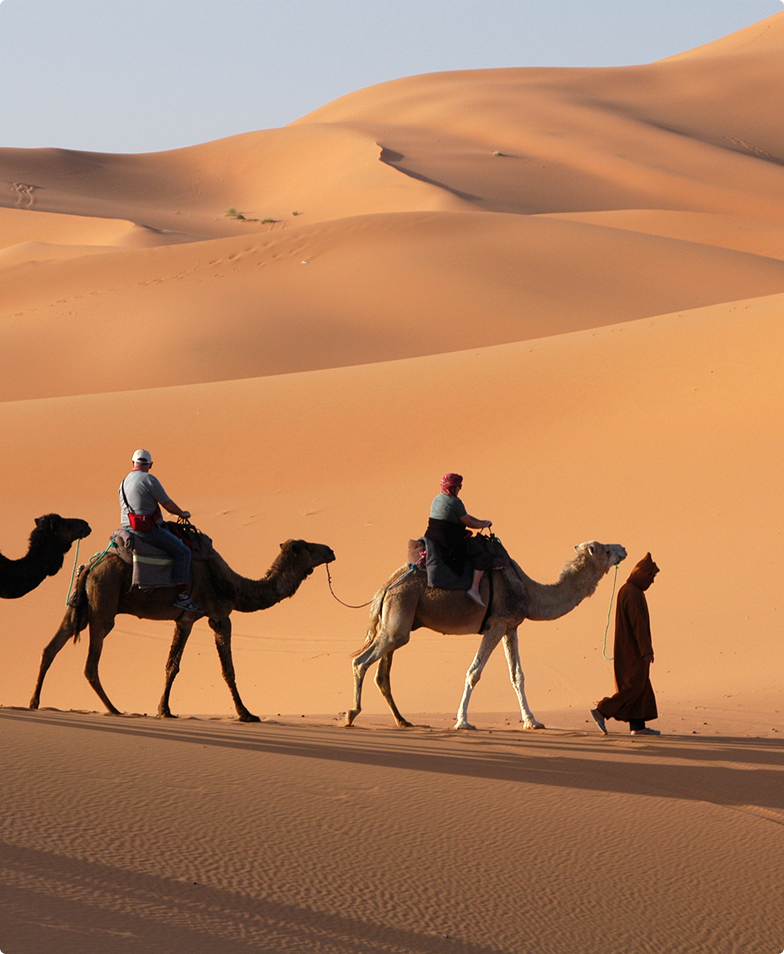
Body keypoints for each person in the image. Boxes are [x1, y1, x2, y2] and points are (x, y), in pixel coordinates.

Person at [119, 449, 201, 614]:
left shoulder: (123, 482)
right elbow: (168, 504)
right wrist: (182, 513)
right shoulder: (149, 479)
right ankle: (183, 597)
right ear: (150, 465)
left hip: (126, 528)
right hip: (145, 531)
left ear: (133, 464)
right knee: (183, 551)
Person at [590, 553, 660, 736]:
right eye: (651, 577)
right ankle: (602, 711)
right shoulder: (632, 592)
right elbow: (637, 624)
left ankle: (638, 726)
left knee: (640, 686)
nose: (652, 582)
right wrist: (646, 650)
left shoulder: (630, 590)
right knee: (633, 687)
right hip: (632, 650)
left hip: (631, 649)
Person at [424, 472, 493, 606]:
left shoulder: (437, 499)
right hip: (448, 542)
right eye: (459, 486)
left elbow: (464, 516)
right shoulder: (454, 502)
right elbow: (468, 522)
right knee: (482, 557)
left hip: (433, 538)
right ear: (453, 488)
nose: (460, 489)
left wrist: (482, 522)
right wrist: (483, 524)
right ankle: (474, 590)